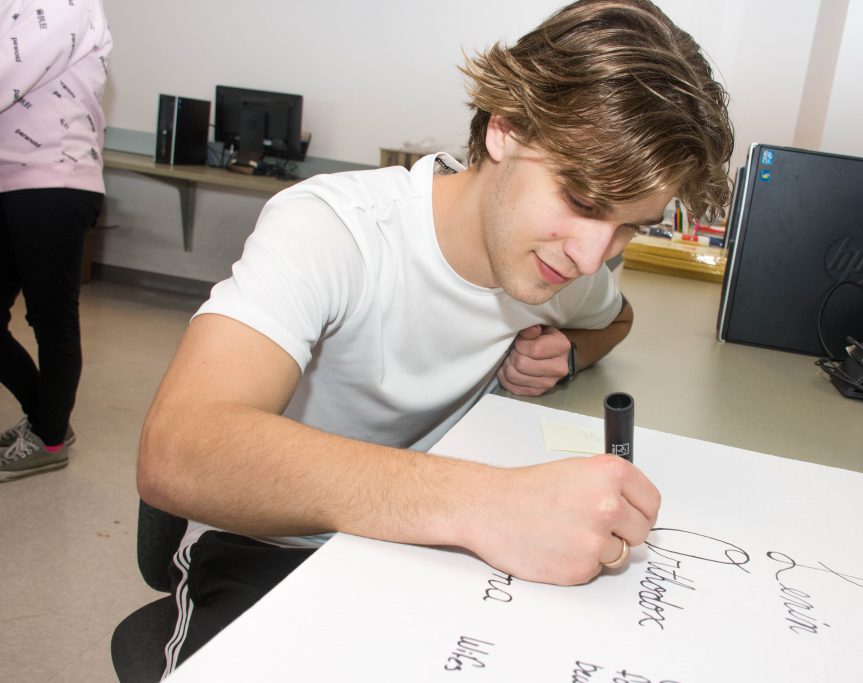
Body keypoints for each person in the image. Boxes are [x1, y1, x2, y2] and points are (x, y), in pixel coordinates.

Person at [138, 0, 733, 672]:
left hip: (422, 550)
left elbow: (614, 316)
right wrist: (489, 501)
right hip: (268, 547)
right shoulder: (335, 229)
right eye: (585, 199)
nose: (593, 255)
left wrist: (568, 354)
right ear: (505, 129)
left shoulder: (563, 263)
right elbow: (180, 449)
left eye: (630, 226)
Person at [0, 0, 112, 481]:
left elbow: (8, 70)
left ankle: (47, 437)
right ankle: (48, 418)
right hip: (9, 180)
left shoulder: (66, 5)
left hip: (55, 180)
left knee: (51, 318)